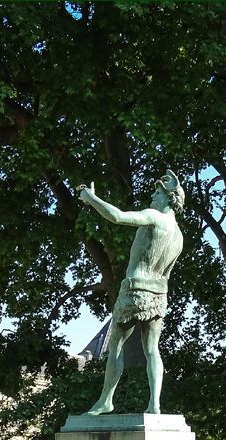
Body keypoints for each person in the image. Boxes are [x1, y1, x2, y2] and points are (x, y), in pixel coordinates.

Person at [76, 169, 185, 415]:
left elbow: (117, 216)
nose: (153, 197)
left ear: (169, 198)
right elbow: (166, 272)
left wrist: (90, 198)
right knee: (152, 349)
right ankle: (154, 405)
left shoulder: (154, 217)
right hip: (158, 295)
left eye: (157, 193)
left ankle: (106, 400)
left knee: (115, 344)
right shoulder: (178, 236)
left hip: (135, 289)